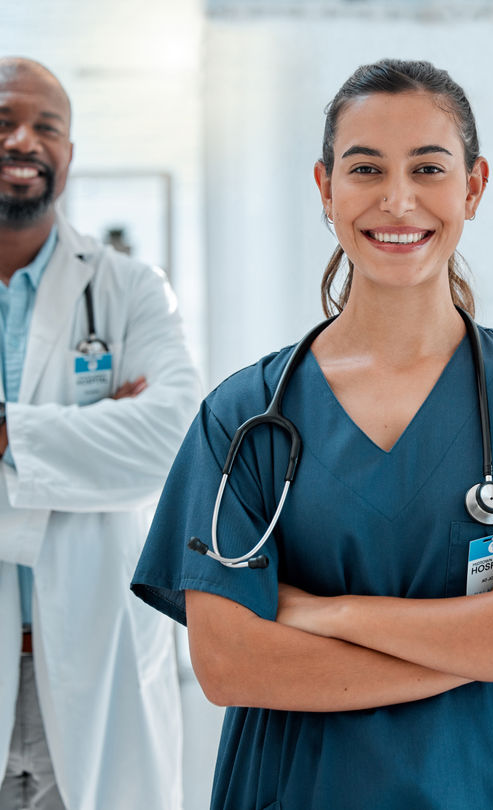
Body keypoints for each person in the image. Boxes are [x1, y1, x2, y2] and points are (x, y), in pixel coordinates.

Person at [130, 58, 493, 810]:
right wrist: (487, 636)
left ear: (474, 187)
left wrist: (326, 612)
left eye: (429, 167)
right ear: (326, 189)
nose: (398, 199)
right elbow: (231, 664)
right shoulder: (245, 417)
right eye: (366, 168)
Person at [0, 58, 200, 810]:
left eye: (46, 127)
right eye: (5, 121)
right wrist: (85, 434)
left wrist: (7, 432)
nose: (24, 140)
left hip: (95, 653)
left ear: (69, 154)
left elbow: (171, 437)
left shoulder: (129, 289)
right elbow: (127, 443)